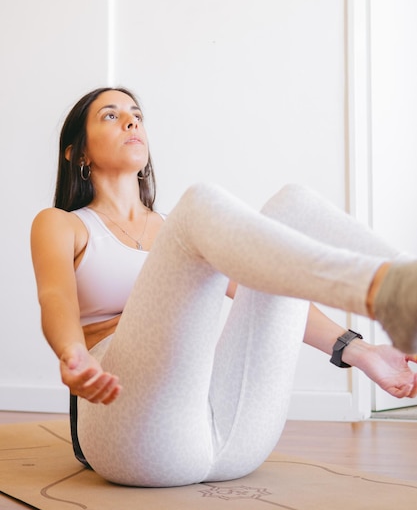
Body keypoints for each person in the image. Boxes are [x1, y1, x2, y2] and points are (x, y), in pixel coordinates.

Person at [31, 86, 417, 488]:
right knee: (199, 203)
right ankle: (382, 289)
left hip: (229, 437)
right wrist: (72, 353)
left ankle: (404, 276)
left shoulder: (185, 233)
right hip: (129, 435)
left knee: (293, 205)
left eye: (137, 115)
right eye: (111, 116)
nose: (131, 121)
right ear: (78, 153)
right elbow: (54, 296)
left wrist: (364, 352)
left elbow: (267, 284)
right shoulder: (62, 224)